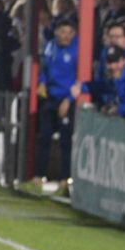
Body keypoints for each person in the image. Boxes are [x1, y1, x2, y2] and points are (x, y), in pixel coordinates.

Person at [37, 19, 78, 183]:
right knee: (45, 136)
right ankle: (40, 176)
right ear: (57, 32)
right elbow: (44, 68)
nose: (66, 36)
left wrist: (69, 100)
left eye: (70, 33)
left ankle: (65, 178)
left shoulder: (78, 50)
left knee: (66, 139)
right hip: (51, 97)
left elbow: (82, 78)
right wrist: (42, 82)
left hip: (67, 99)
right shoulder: (51, 46)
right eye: (63, 32)